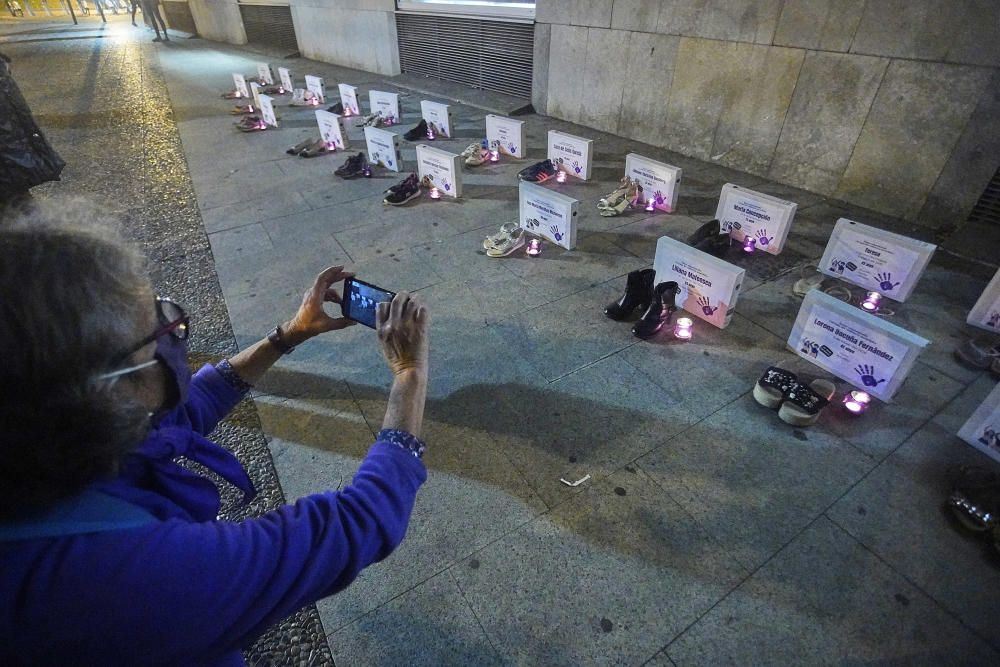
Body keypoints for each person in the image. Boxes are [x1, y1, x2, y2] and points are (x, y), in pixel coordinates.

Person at [0, 218, 431, 665]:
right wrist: (410, 372)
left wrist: (290, 334)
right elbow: (357, 522)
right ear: (104, 389)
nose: (177, 336)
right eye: (155, 332)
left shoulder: (39, 446)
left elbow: (182, 416)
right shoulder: (119, 580)